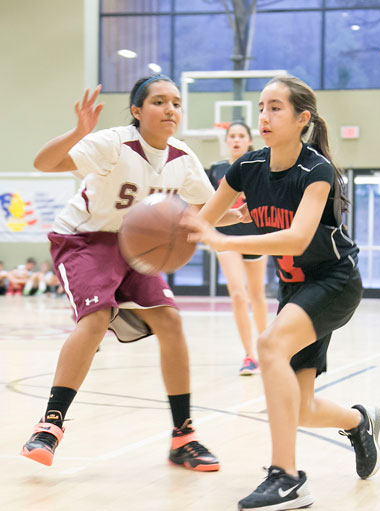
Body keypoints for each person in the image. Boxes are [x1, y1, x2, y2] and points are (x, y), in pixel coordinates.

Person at [182, 75, 380, 510]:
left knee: (269, 344)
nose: (264, 117)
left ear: (301, 118)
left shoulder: (317, 170)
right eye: (261, 107)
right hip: (294, 289)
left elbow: (296, 238)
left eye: (275, 107)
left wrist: (226, 240)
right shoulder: (247, 168)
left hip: (334, 281)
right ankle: (358, 421)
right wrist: (167, 228)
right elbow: (202, 222)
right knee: (302, 407)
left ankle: (287, 478)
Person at [20, 75, 236, 472]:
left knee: (170, 321)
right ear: (137, 111)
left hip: (137, 248)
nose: (170, 109)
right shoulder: (112, 143)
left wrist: (245, 210)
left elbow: (210, 210)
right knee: (96, 317)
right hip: (86, 239)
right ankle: (50, 424)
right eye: (159, 102)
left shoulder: (183, 158)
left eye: (175, 102)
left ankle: (183, 437)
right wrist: (78, 132)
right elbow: (43, 163)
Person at [208, 121, 267, 375]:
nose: (236, 140)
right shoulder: (217, 170)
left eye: (241, 135)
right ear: (226, 141)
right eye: (231, 136)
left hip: (255, 236)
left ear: (249, 141)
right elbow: (208, 205)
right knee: (238, 294)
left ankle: (267, 349)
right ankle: (249, 355)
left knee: (257, 294)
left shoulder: (260, 166)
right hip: (226, 237)